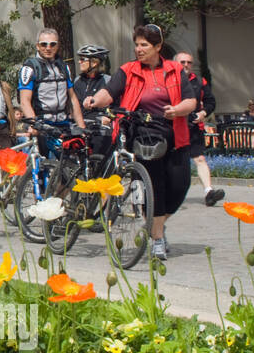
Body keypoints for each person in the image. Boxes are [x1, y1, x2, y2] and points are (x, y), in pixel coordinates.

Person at [83, 24, 198, 262]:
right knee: (154, 188)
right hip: (142, 134)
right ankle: (157, 239)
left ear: (158, 47)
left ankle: (157, 226)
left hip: (174, 134)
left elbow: (191, 102)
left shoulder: (175, 70)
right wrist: (95, 100)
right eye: (136, 44)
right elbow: (110, 92)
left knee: (180, 186)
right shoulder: (129, 70)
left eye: (144, 45)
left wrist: (177, 110)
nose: (139, 49)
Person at [19, 29, 85, 154]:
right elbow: (24, 101)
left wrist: (81, 127)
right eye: (44, 44)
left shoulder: (63, 67)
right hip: (42, 124)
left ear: (58, 45)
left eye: (52, 44)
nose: (48, 48)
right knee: (42, 167)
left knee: (67, 164)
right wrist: (34, 124)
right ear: (37, 46)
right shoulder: (30, 68)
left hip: (62, 123)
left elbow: (72, 98)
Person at [175, 52, 225, 206]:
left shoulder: (199, 81)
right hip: (172, 127)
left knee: (200, 159)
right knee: (173, 162)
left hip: (193, 127)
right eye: (182, 62)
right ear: (175, 63)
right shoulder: (167, 80)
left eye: (189, 62)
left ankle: (209, 192)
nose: (186, 65)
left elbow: (210, 101)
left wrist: (203, 113)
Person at [73, 45, 112, 157]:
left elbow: (115, 103)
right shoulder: (77, 81)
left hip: (100, 130)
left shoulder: (107, 80)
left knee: (99, 162)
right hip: (80, 129)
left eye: (82, 59)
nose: (79, 62)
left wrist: (108, 117)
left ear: (94, 63)